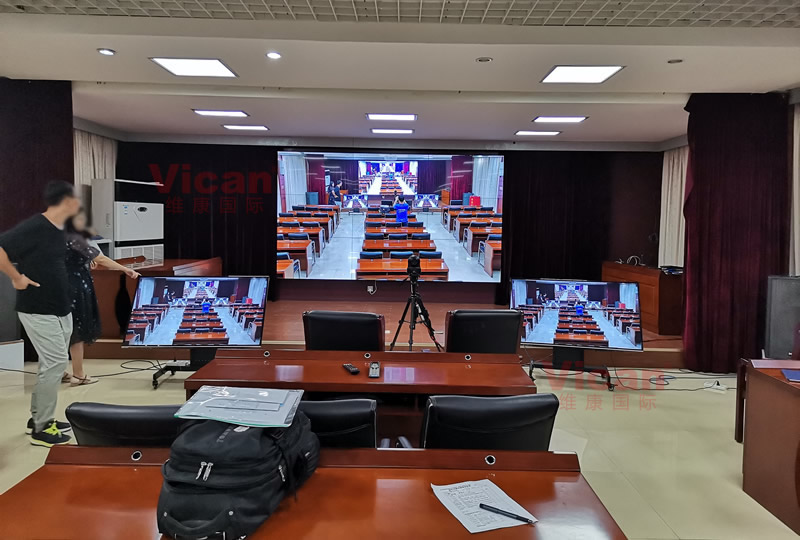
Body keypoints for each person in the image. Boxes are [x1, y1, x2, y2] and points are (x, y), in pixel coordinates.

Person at [0, 181, 80, 446]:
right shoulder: (36, 225)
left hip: (60, 307)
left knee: (52, 364)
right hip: (37, 308)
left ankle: (38, 418)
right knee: (55, 363)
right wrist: (16, 278)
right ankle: (41, 428)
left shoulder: (59, 229)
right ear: (67, 201)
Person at [63, 209, 140, 385]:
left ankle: (58, 371)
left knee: (61, 330)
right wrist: (125, 269)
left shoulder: (54, 236)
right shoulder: (76, 238)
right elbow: (101, 259)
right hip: (75, 288)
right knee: (77, 330)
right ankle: (79, 374)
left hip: (58, 286)